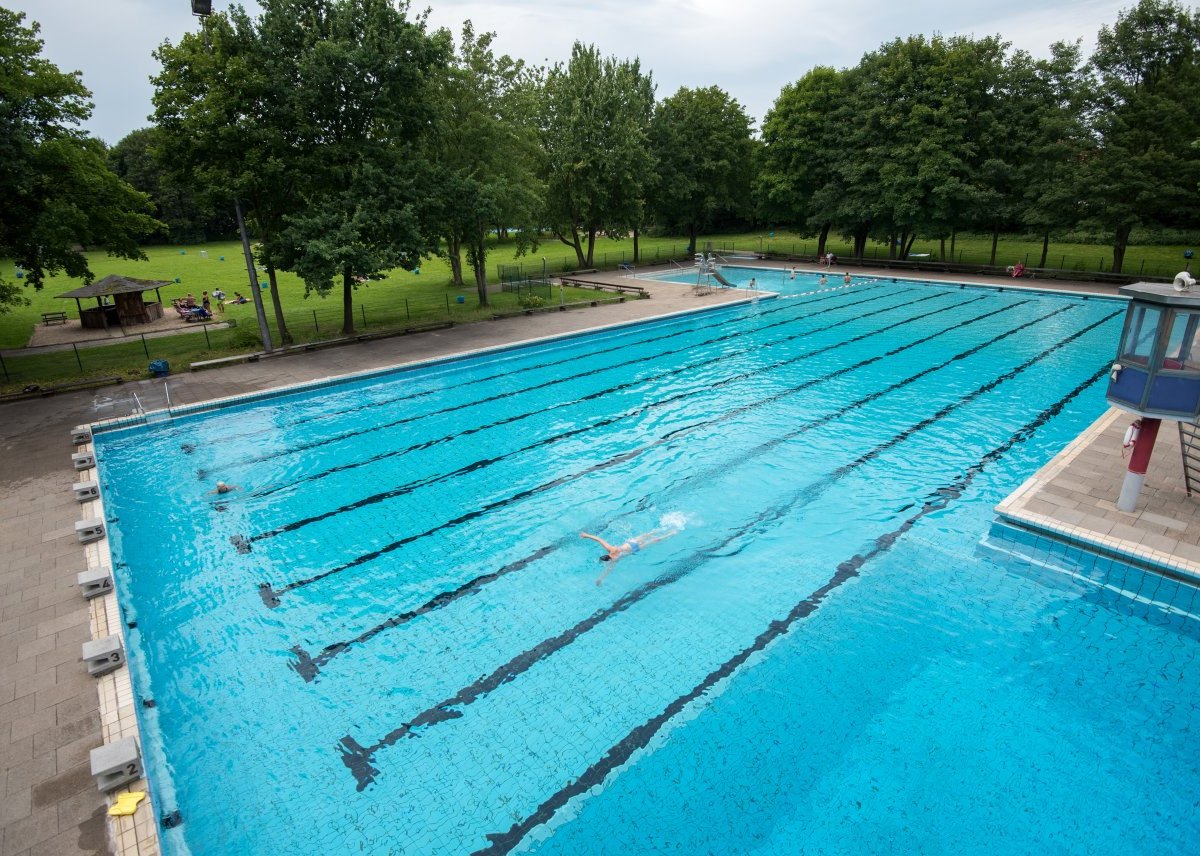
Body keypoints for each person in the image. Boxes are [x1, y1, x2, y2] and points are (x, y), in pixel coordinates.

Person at [581, 524, 682, 585]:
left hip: (635, 549)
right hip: (630, 543)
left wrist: (600, 579)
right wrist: (586, 535)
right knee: (647, 535)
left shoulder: (614, 560)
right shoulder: (610, 548)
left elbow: (607, 571)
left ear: (608, 560)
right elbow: (599, 539)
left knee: (654, 541)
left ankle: (671, 534)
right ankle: (664, 528)